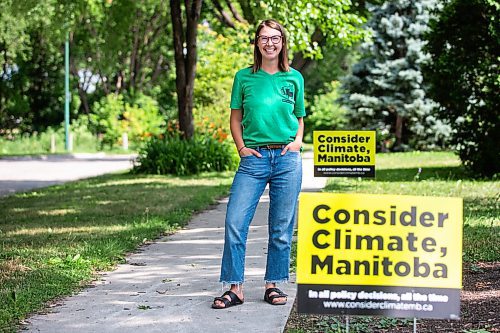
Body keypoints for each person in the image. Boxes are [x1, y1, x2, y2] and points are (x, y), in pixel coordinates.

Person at [212, 19, 305, 309]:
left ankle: (273, 285)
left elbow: (299, 116)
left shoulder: (294, 78)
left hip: (287, 159)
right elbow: (235, 117)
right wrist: (241, 147)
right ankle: (234, 288)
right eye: (264, 38)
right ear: (256, 42)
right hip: (254, 159)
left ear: (282, 42)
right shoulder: (244, 77)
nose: (270, 43)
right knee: (235, 221)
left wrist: (298, 141)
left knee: (281, 226)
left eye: (275, 38)